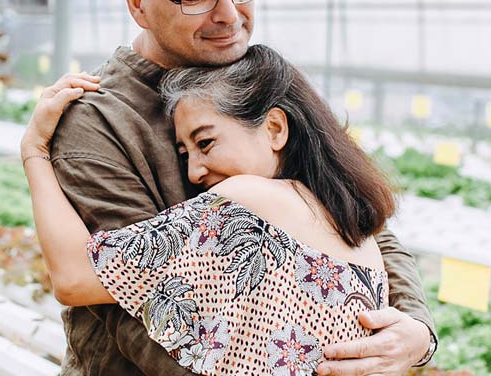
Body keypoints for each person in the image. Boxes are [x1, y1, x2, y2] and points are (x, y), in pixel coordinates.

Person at [41, 0, 436, 376]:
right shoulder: (98, 119)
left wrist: (414, 331)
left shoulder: (252, 75)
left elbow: (353, 212)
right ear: (138, 2)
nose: (229, 14)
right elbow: (133, 311)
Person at [21, 44, 399, 375]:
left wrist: (34, 151)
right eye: (185, 153)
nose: (194, 171)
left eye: (206, 142)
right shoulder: (361, 239)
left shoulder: (247, 202)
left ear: (274, 129)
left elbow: (74, 278)